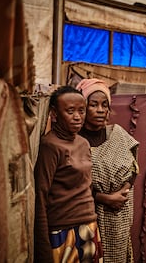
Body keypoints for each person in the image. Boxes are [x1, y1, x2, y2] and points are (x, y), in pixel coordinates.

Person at [33, 85, 103, 263]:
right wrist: (42, 246)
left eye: (82, 110)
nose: (78, 117)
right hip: (62, 230)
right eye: (70, 111)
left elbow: (87, 186)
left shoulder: (83, 143)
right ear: (54, 114)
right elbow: (40, 196)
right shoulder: (50, 146)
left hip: (88, 225)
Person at [76, 78, 139, 263]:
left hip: (118, 216)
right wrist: (104, 198)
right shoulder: (75, 140)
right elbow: (71, 181)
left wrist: (123, 191)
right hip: (87, 217)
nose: (100, 110)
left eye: (105, 105)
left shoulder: (117, 134)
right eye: (93, 105)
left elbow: (134, 166)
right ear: (83, 107)